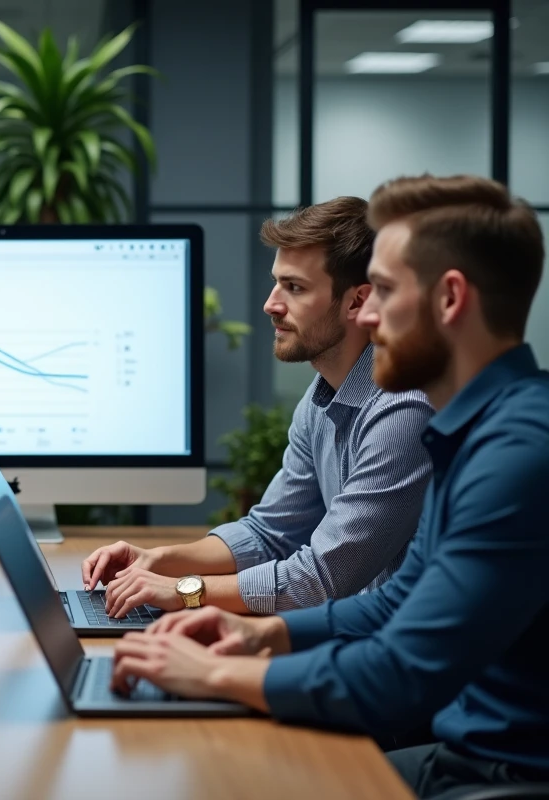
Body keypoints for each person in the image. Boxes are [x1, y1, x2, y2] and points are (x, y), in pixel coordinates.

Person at [110, 174, 549, 799]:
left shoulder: (517, 453)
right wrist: (263, 633)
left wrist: (213, 674)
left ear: (450, 300)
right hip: (464, 752)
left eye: (386, 292)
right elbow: (393, 602)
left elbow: (401, 671)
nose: (365, 314)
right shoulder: (475, 430)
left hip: (500, 772)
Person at [82, 196, 434, 618]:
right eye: (276, 282)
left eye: (295, 288)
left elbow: (319, 579)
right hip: (357, 641)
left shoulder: (404, 411)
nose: (271, 304)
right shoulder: (322, 397)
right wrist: (157, 560)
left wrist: (184, 590)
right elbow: (270, 533)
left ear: (358, 301)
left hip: (407, 665)